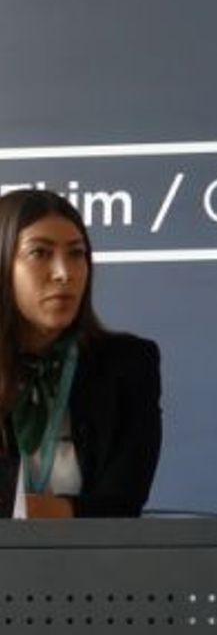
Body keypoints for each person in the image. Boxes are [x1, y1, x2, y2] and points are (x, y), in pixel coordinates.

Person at [0, 190, 161, 518]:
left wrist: (27, 512)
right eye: (40, 252)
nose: (64, 272)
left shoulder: (129, 364)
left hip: (88, 553)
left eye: (76, 254)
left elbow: (122, 504)